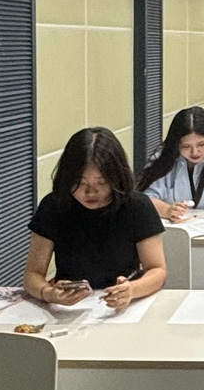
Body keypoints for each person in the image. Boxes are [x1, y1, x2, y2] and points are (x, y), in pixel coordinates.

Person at [25, 127, 167, 312]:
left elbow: (157, 271)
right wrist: (48, 293)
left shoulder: (137, 206)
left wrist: (132, 289)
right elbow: (32, 274)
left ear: (116, 178)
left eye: (101, 182)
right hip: (70, 310)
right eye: (80, 183)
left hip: (124, 305)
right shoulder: (54, 205)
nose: (90, 192)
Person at [138, 107, 204, 221]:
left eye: (202, 144)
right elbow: (147, 198)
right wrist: (167, 210)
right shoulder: (163, 156)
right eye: (185, 146)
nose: (194, 152)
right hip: (173, 227)